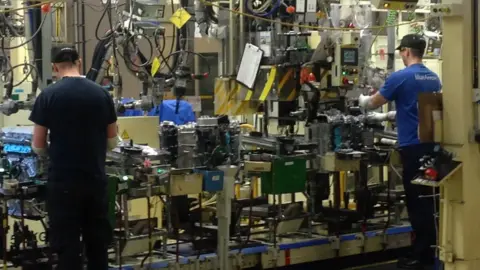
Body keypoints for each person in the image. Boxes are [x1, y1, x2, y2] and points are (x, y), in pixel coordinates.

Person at [30, 45, 119, 270]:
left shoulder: (48, 96)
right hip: (95, 181)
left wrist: (56, 155)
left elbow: (38, 145)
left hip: (64, 185)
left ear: (54, 67)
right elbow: (112, 140)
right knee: (98, 247)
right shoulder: (101, 93)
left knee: (67, 248)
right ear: (79, 62)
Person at [358, 34, 442, 269]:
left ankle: (421, 257)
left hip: (412, 148)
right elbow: (415, 108)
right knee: (430, 200)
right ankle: (431, 250)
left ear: (406, 51)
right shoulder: (433, 77)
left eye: (401, 52)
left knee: (417, 202)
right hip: (431, 145)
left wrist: (362, 101)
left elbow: (375, 101)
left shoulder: (401, 77)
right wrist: (386, 117)